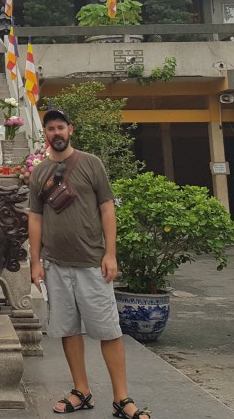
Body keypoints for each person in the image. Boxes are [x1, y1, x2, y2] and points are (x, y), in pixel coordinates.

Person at [28, 109, 149, 419]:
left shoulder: (91, 163)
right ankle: (81, 390)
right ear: (45, 133)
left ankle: (121, 398)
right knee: (68, 330)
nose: (56, 132)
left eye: (61, 127)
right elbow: (36, 218)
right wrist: (35, 261)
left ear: (71, 129)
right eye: (50, 128)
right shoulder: (39, 173)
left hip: (92, 262)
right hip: (56, 264)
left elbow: (107, 208)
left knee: (108, 330)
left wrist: (110, 254)